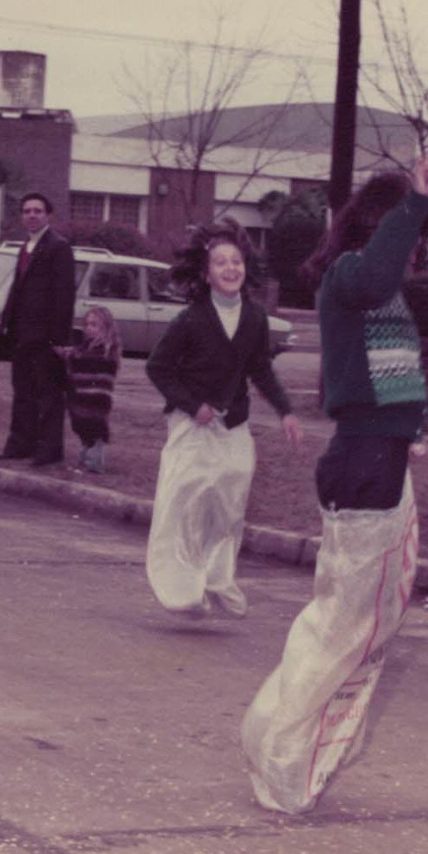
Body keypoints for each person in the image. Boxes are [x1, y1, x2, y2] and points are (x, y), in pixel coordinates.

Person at [241, 158, 428, 815]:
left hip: (373, 456)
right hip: (365, 462)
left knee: (347, 622)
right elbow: (383, 268)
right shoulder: (352, 274)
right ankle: (282, 757)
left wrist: (409, 425)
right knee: (344, 629)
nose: (415, 251)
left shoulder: (366, 286)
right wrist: (415, 202)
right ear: (380, 226)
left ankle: (281, 743)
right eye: (410, 234)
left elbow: (383, 376)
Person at [144, 221, 303, 619]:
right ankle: (182, 588)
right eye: (220, 263)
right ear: (205, 273)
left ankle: (217, 577)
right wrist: (192, 403)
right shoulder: (191, 319)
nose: (230, 269)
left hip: (233, 425)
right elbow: (157, 368)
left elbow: (260, 369)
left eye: (236, 261)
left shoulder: (255, 317)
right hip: (191, 425)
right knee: (188, 502)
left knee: (229, 502)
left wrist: (285, 411)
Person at [0, 193, 77, 466]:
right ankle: (19, 445)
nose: (32, 215)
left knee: (49, 395)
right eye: (27, 211)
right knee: (23, 393)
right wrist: (6, 326)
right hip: (21, 336)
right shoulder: (24, 248)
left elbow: (64, 296)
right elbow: (17, 290)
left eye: (37, 211)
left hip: (45, 337)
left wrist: (58, 339)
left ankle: (48, 450)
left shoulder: (59, 247)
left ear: (48, 215)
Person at [58, 304, 121, 473]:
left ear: (106, 328)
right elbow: (78, 354)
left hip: (97, 397)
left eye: (94, 325)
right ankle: (85, 459)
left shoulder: (107, 350)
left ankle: (94, 464)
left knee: (96, 428)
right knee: (82, 426)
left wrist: (69, 354)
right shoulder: (85, 347)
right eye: (86, 324)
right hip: (81, 396)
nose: (89, 329)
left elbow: (88, 359)